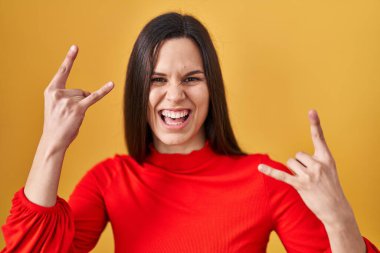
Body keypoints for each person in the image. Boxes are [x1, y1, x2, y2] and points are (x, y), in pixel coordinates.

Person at [1, 12, 378, 253]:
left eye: (192, 79)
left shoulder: (266, 180)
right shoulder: (111, 180)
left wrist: (338, 216)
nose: (175, 94)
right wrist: (51, 143)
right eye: (158, 80)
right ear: (138, 91)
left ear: (211, 88)